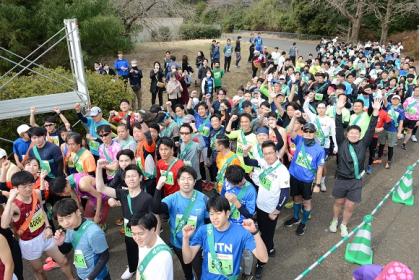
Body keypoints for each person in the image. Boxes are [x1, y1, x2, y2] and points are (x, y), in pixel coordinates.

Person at [1, 171, 74, 280]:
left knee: (63, 261)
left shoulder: (36, 193)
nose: (28, 189)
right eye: (24, 186)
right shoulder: (14, 205)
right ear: (16, 188)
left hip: (45, 234)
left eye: (30, 185)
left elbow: (42, 211)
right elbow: (4, 224)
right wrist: (10, 199)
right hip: (29, 242)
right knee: (39, 270)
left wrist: (48, 226)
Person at [181, 195, 268, 280]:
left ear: (228, 213)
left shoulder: (241, 232)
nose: (214, 218)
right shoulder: (203, 231)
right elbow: (187, 260)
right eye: (211, 214)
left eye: (218, 213)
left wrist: (255, 233)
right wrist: (185, 238)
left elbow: (263, 258)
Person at [329, 97, 380, 237]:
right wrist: (338, 109)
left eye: (356, 133)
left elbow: (371, 128)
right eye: (351, 132)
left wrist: (375, 111)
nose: (353, 134)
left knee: (350, 205)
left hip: (356, 180)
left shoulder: (363, 144)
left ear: (359, 135)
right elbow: (338, 125)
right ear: (347, 134)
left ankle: (344, 225)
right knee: (338, 202)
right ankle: (334, 220)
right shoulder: (342, 142)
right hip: (341, 178)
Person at [96, 162, 153, 280]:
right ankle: (132, 268)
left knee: (144, 251)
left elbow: (154, 218)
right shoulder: (122, 193)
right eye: (128, 176)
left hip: (143, 230)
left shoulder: (147, 198)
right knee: (130, 248)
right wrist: (98, 168)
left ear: (140, 178)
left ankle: (145, 271)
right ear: (124, 179)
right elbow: (101, 188)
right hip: (128, 230)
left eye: (134, 176)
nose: (131, 179)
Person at [243, 140, 290, 279]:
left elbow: (285, 194)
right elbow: (248, 162)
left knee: (265, 237)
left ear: (276, 153)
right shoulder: (263, 162)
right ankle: (270, 248)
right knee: (263, 231)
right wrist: (245, 152)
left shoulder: (282, 171)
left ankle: (260, 264)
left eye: (271, 153)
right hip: (260, 206)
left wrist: (276, 211)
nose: (268, 156)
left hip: (271, 211)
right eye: (265, 154)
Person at [152, 166, 207, 280]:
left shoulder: (203, 199)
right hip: (178, 242)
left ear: (194, 181)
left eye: (189, 178)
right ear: (177, 181)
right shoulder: (172, 198)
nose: (186, 182)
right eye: (183, 178)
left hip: (197, 244)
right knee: (186, 267)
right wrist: (158, 187)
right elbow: (156, 208)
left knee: (200, 270)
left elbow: (209, 220)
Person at [284, 114, 325, 236]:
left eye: (311, 132)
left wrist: (317, 184)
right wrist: (293, 118)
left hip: (307, 180)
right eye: (306, 131)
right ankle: (296, 217)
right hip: (294, 176)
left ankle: (304, 222)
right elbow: (288, 130)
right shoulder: (299, 139)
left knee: (306, 202)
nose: (308, 134)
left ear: (314, 133)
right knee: (296, 198)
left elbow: (320, 168)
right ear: (303, 131)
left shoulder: (319, 150)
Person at [53, 198, 110, 280]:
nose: (66, 223)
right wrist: (60, 244)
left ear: (78, 212)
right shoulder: (70, 228)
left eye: (69, 217)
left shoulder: (94, 232)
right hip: (82, 274)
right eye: (61, 220)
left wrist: (90, 278)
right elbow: (66, 250)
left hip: (98, 277)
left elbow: (105, 256)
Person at [132, 213, 173, 280]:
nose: (137, 238)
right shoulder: (143, 242)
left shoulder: (163, 257)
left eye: (141, 233)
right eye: (133, 234)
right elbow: (140, 266)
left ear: (153, 230)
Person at [377, 95, 404, 169]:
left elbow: (401, 122)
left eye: (397, 99)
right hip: (384, 128)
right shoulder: (388, 106)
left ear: (399, 101)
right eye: (393, 99)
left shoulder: (401, 111)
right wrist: (383, 94)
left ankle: (389, 161)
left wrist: (399, 132)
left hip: (393, 131)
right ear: (391, 100)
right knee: (381, 144)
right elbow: (385, 100)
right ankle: (379, 157)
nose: (395, 100)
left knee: (391, 147)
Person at [178, 124, 204, 190]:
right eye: (182, 133)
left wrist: (195, 129)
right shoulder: (181, 145)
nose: (184, 135)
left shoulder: (195, 145)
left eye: (186, 133)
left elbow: (203, 145)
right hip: (184, 176)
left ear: (191, 134)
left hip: (195, 177)